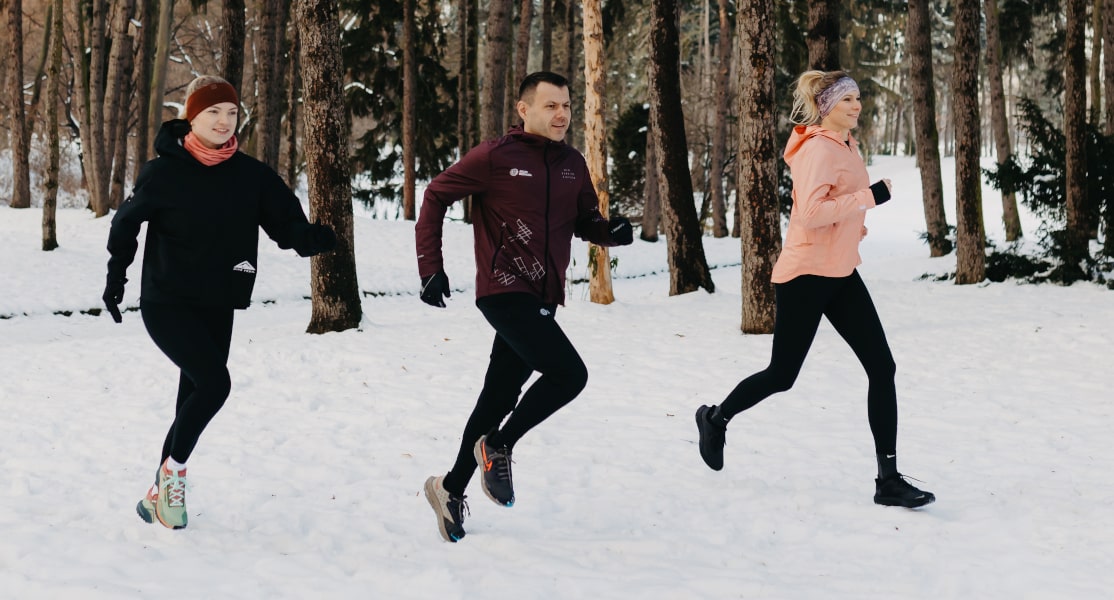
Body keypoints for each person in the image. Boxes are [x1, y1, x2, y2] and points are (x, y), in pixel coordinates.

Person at [103, 75, 337, 529]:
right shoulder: (163, 171)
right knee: (215, 385)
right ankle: (173, 478)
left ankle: (158, 493)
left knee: (192, 395)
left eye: (231, 113)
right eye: (213, 112)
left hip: (219, 301)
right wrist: (117, 278)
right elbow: (125, 224)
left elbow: (286, 224)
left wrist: (314, 240)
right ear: (192, 116)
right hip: (166, 300)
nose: (224, 121)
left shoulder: (251, 176)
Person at [694, 70, 935, 509]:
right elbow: (809, 213)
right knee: (782, 376)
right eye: (847, 101)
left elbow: (836, 207)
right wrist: (870, 198)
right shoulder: (819, 150)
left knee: (882, 368)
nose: (857, 106)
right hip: (806, 275)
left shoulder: (845, 144)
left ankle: (888, 480)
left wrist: (853, 228)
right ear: (827, 107)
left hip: (840, 271)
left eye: (859, 98)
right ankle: (715, 418)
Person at [416, 71, 634, 542]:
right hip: (503, 288)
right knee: (569, 374)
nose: (561, 115)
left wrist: (608, 231)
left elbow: (585, 220)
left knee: (497, 396)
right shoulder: (496, 157)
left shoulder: (573, 163)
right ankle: (499, 445)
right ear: (524, 109)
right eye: (551, 106)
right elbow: (435, 194)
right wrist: (430, 267)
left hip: (545, 295)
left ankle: (449, 488)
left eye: (567, 106)